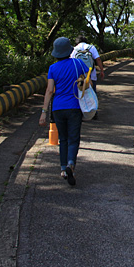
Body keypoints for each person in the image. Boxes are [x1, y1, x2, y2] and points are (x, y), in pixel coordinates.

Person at [39, 37, 90, 186]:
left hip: (57, 108)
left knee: (63, 139)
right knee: (74, 138)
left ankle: (62, 169)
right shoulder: (78, 63)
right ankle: (70, 165)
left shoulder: (52, 68)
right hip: (74, 106)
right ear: (69, 51)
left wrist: (43, 111)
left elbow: (49, 91)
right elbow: (88, 81)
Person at [70, 35, 105, 118]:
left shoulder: (75, 49)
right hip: (91, 76)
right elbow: (98, 59)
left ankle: (80, 113)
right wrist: (102, 70)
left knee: (79, 94)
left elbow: (71, 62)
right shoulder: (91, 47)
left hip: (79, 76)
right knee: (92, 93)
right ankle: (93, 113)